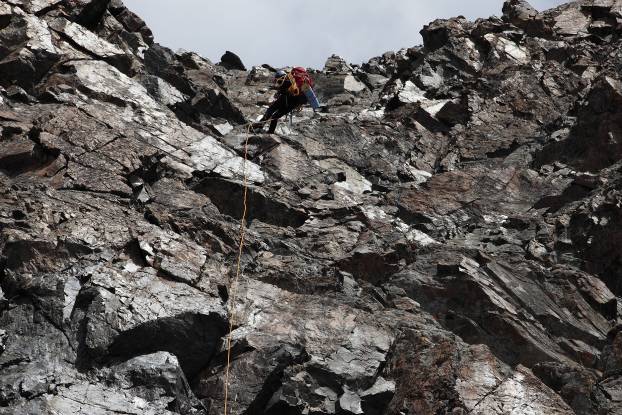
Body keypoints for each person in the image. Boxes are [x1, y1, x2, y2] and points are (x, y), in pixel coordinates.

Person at [253, 68, 320, 134]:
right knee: (274, 114)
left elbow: (283, 89)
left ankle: (262, 128)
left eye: (278, 81)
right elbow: (311, 97)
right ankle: (268, 131)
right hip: (291, 103)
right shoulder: (292, 80)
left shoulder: (289, 81)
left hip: (289, 101)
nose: (278, 82)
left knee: (272, 112)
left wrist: (278, 92)